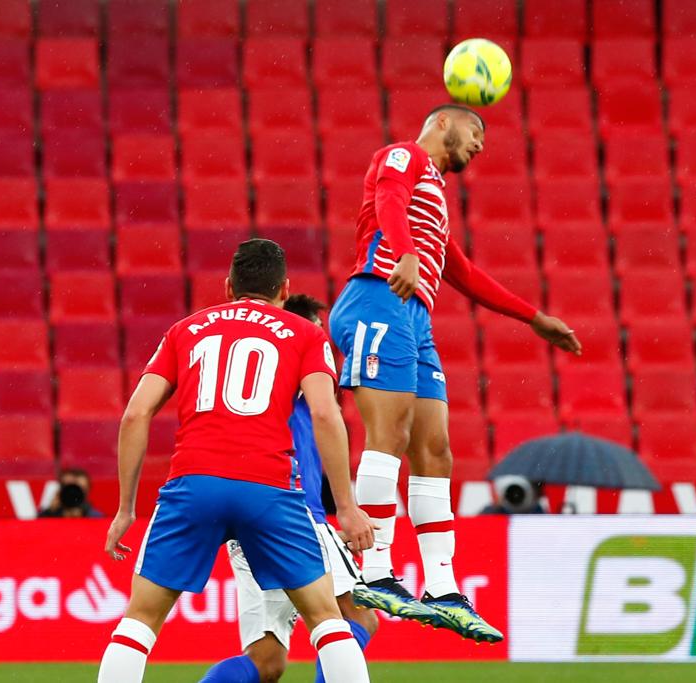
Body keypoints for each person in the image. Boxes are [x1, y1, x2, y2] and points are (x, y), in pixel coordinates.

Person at [328, 104, 582, 642]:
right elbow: (387, 200)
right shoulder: (405, 155)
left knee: (436, 448)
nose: (480, 144)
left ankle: (441, 587)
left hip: (412, 315)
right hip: (377, 297)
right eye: (476, 130)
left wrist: (533, 319)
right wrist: (404, 254)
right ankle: (373, 571)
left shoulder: (437, 199)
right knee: (389, 435)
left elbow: (461, 271)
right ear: (443, 122)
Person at [97, 240, 374, 683]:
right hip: (268, 486)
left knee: (139, 622)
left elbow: (135, 413)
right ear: (284, 290)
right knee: (328, 620)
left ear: (228, 287)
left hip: (194, 482)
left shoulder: (185, 330)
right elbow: (325, 413)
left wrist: (126, 508)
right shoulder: (305, 334)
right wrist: (346, 505)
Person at [200, 295, 379, 683]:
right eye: (315, 329)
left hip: (249, 518)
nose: (322, 342)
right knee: (356, 617)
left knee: (267, 662)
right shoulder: (298, 365)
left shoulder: (252, 381)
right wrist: (345, 510)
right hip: (296, 515)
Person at [38, 468, 103, 518]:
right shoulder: (51, 513)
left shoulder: (96, 517)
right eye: (70, 488)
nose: (73, 493)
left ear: (88, 490)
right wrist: (50, 511)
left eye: (81, 488)